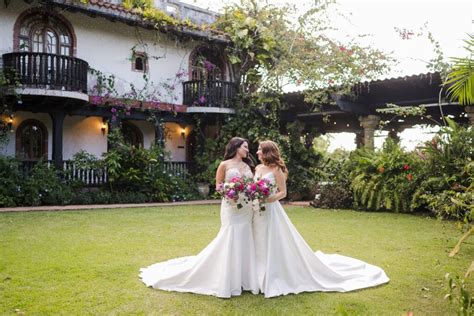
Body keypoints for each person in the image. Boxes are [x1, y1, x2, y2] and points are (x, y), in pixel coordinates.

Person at [252, 140, 389, 298]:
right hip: (257, 211)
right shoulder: (258, 168)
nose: (257, 152)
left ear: (268, 151)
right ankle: (257, 275)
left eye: (260, 149)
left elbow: (282, 192)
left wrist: (268, 199)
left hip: (270, 209)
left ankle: (273, 274)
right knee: (259, 240)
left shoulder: (276, 170)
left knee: (272, 240)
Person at [139, 137, 259, 298]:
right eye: (245, 146)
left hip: (246, 207)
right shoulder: (224, 165)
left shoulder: (247, 166)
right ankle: (227, 277)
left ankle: (245, 278)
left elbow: (251, 186)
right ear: (236, 148)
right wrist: (230, 195)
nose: (247, 149)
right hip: (231, 206)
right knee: (230, 235)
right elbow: (218, 186)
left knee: (245, 236)